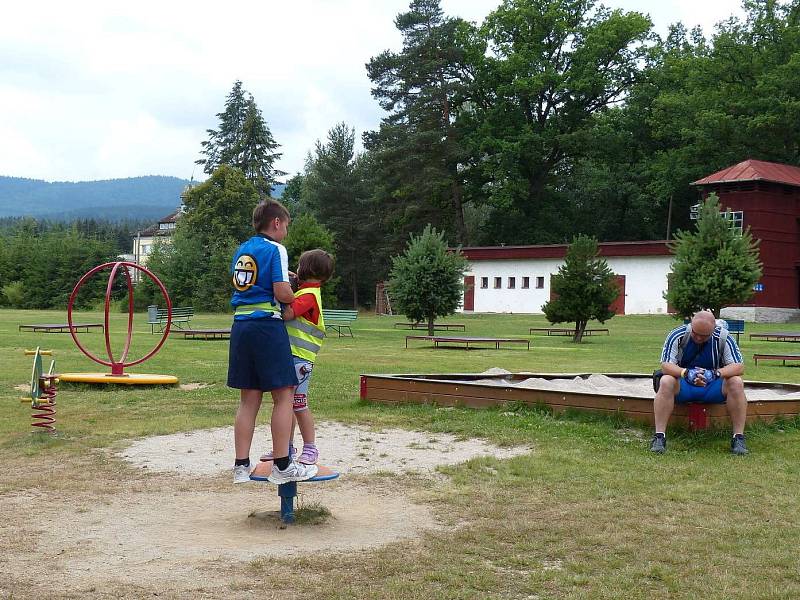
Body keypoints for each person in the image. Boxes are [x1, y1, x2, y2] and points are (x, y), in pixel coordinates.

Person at [228, 200, 318, 484]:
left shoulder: (242, 249)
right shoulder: (276, 249)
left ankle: (241, 466)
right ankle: (283, 466)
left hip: (241, 326)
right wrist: (294, 291)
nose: (287, 232)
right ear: (276, 223)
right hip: (267, 325)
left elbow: (249, 283)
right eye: (286, 226)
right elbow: (281, 293)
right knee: (284, 395)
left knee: (249, 399)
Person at [261, 249, 335, 465]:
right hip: (290, 357)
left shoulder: (309, 296)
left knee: (299, 404)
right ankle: (286, 448)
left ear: (307, 269)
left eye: (300, 266)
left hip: (300, 359)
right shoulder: (306, 292)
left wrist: (278, 293)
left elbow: (288, 314)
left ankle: (310, 447)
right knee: (286, 404)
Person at [650, 310, 748, 455]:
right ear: (691, 324)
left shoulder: (724, 338)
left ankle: (738, 438)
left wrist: (715, 374)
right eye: (695, 333)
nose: (698, 338)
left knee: (736, 382)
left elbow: (738, 366)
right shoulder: (677, 335)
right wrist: (686, 373)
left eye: (704, 336)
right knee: (665, 380)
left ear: (713, 329)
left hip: (713, 385)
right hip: (684, 384)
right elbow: (665, 365)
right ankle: (659, 437)